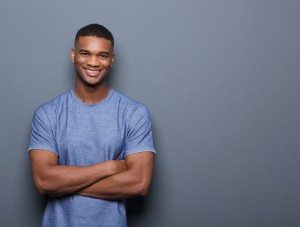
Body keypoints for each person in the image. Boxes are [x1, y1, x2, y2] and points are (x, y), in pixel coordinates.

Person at [28, 23, 156, 227]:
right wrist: (110, 166)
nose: (93, 62)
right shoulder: (48, 114)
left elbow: (139, 183)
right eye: (85, 53)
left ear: (112, 60)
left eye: (102, 55)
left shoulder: (134, 113)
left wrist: (64, 183)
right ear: (73, 55)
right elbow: (43, 181)